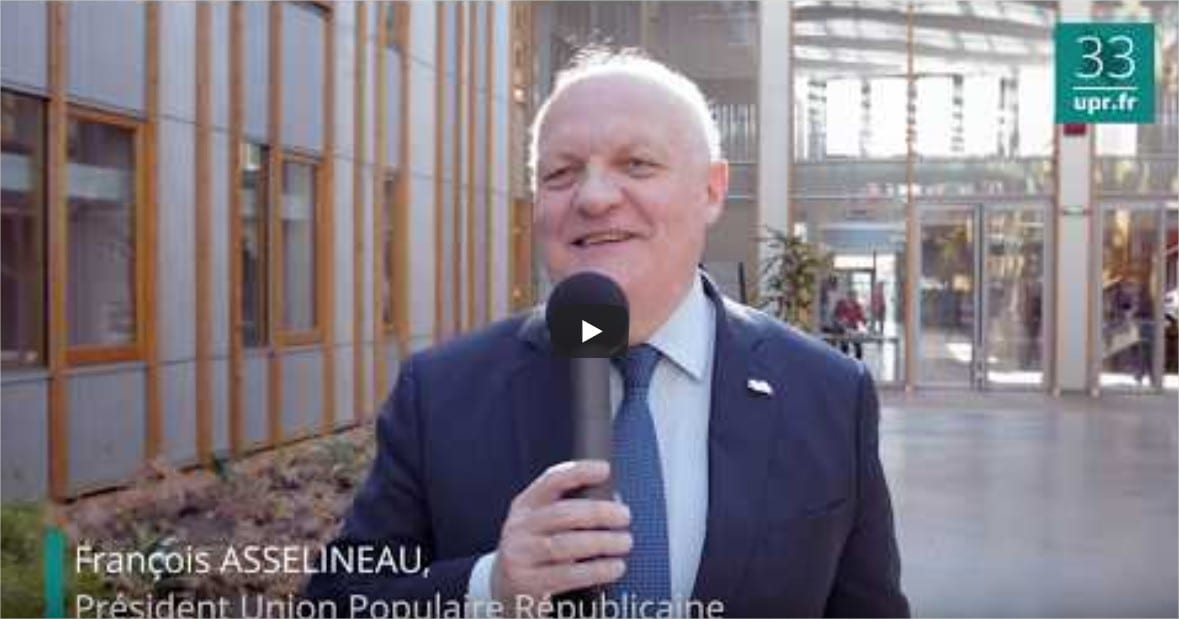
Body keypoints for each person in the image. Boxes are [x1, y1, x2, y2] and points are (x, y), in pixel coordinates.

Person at [305, 48, 908, 618]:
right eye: (561, 173)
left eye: (637, 164)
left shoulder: (827, 392)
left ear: (712, 190)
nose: (593, 198)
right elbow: (335, 601)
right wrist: (489, 587)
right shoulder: (441, 394)